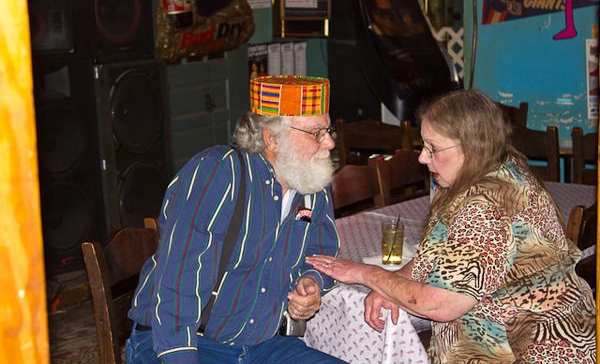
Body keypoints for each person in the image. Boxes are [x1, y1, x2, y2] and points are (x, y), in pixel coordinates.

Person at [307, 90, 596, 363]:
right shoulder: (499, 169)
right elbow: (441, 257)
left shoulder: (484, 208)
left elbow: (438, 304)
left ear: (472, 148)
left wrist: (366, 273)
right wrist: (389, 286)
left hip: (527, 351)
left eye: (433, 148)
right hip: (562, 336)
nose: (422, 157)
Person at [126, 75, 347, 364]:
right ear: (272, 139)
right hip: (188, 342)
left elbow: (321, 249)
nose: (329, 142)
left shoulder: (311, 182)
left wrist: (311, 280)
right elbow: (178, 283)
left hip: (262, 346)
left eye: (328, 130)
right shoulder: (218, 174)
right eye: (316, 133)